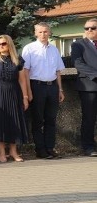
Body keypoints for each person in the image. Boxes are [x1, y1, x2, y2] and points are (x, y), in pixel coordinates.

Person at [0, 35, 30, 163]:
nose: (0, 46)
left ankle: (13, 152)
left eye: (3, 43)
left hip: (14, 93)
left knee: (15, 121)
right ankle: (1, 152)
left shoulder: (18, 59)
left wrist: (25, 97)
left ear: (9, 44)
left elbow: (22, 80)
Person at [22, 22, 65, 159]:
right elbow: (25, 72)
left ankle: (50, 148)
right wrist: (28, 92)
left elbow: (58, 71)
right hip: (37, 86)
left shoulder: (54, 49)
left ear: (49, 33)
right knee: (38, 120)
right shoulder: (29, 49)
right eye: (40, 32)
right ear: (35, 33)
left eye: (45, 32)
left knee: (51, 119)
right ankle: (40, 149)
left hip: (52, 86)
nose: (43, 34)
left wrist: (60, 89)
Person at [70, 19, 97, 157]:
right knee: (89, 118)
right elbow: (78, 63)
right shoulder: (78, 44)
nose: (89, 31)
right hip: (89, 86)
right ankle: (88, 147)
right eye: (86, 28)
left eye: (93, 28)